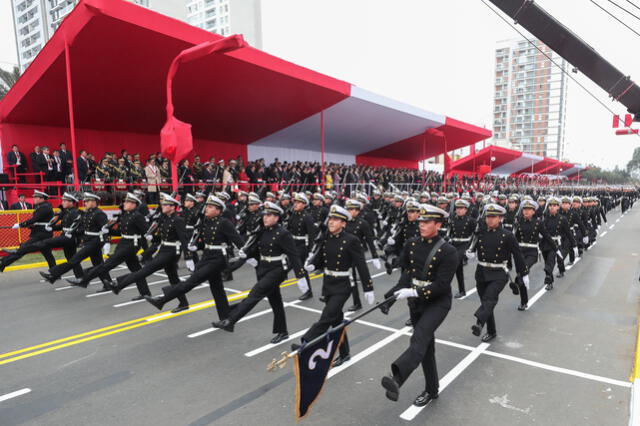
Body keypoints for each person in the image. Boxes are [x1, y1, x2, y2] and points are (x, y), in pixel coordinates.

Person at [381, 203, 458, 407]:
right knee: (426, 348)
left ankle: (397, 378)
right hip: (416, 303)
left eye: (427, 221)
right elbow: (408, 274)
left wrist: (414, 291)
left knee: (419, 337)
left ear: (439, 224)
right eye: (421, 221)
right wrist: (390, 298)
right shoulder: (411, 244)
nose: (421, 224)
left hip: (437, 303)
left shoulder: (448, 251)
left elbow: (442, 285)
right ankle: (432, 390)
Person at [212, 201, 307, 344]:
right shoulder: (262, 231)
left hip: (277, 270)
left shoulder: (283, 234)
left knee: (255, 293)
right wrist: (247, 254)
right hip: (263, 269)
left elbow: (293, 255)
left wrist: (300, 276)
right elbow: (256, 249)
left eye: (269, 215)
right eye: (265, 215)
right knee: (275, 301)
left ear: (276, 217)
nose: (265, 218)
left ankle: (230, 321)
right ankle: (283, 331)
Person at [293, 205, 375, 367]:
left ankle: (306, 342)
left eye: (336, 219)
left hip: (343, 286)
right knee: (336, 322)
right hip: (328, 284)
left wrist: (368, 287)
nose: (331, 222)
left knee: (327, 317)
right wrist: (313, 265)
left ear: (344, 223)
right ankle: (345, 354)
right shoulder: (325, 237)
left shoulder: (352, 240)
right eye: (330, 219)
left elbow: (361, 265)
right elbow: (321, 258)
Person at [144, 195, 245, 321]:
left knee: (192, 281)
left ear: (218, 210)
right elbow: (205, 243)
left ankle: (162, 299)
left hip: (218, 258)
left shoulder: (225, 223)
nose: (206, 209)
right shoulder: (206, 222)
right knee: (217, 289)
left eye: (210, 207)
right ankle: (226, 316)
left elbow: (238, 241)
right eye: (207, 206)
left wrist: (247, 255)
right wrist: (196, 247)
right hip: (207, 257)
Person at [113, 193, 190, 313]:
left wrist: (188, 256)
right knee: (173, 278)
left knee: (145, 270)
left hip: (172, 252)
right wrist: (151, 238)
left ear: (173, 207)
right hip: (164, 250)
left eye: (166, 205)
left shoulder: (178, 220)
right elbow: (158, 240)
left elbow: (184, 239)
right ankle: (183, 303)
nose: (162, 206)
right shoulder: (164, 219)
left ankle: (118, 285)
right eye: (162, 204)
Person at [67, 192, 151, 301]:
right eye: (125, 201)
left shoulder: (137, 216)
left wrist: (150, 237)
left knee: (108, 264)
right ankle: (145, 293)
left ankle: (84, 279)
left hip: (131, 245)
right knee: (135, 269)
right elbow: (120, 232)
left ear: (134, 204)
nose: (124, 203)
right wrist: (109, 229)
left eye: (127, 202)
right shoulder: (125, 215)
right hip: (124, 243)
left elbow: (146, 230)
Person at [465, 203, 528, 342]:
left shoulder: (507, 235)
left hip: (499, 273)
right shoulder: (480, 233)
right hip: (481, 272)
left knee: (489, 298)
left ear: (500, 218)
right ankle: (491, 331)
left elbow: (517, 255)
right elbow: (474, 248)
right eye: (488, 216)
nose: (490, 219)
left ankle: (479, 324)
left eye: (494, 217)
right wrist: (470, 253)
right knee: (487, 303)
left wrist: (523, 273)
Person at [40, 192, 112, 290]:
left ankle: (53, 273)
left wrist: (107, 244)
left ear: (94, 202)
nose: (85, 203)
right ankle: (108, 283)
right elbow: (80, 227)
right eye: (85, 201)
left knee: (75, 259)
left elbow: (106, 229)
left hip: (95, 242)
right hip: (89, 241)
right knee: (97, 264)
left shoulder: (100, 214)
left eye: (87, 201)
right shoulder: (87, 213)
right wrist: (74, 232)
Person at [512, 198, 558, 310]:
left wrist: (556, 249)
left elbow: (546, 236)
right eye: (524, 209)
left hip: (532, 253)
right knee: (521, 276)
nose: (526, 211)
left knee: (522, 273)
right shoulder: (518, 223)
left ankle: (519, 279)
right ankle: (524, 301)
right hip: (520, 252)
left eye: (529, 209)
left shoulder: (538, 223)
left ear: (533, 211)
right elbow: (513, 239)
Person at [0, 190, 56, 272]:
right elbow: (39, 221)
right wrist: (30, 225)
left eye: (36, 197)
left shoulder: (44, 207)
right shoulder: (41, 206)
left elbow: (34, 219)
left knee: (23, 249)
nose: (34, 199)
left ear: (42, 198)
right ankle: (55, 272)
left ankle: (3, 263)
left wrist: (21, 224)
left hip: (41, 234)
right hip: (42, 233)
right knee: (47, 254)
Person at [344, 199, 382, 311]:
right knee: (350, 278)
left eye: (352, 209)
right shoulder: (344, 222)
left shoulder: (363, 223)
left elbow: (369, 240)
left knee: (362, 273)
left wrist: (375, 256)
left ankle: (368, 290)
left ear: (357, 211)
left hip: (357, 252)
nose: (350, 211)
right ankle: (356, 302)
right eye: (348, 209)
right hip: (346, 252)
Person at [287, 193, 318, 301]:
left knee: (300, 269)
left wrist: (310, 250)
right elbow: (288, 229)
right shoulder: (293, 214)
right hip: (292, 243)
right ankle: (306, 290)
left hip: (301, 246)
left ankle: (308, 291)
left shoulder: (307, 217)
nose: (295, 204)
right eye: (295, 202)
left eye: (299, 202)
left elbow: (311, 235)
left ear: (304, 204)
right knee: (293, 267)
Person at [448, 199, 476, 298]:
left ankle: (444, 287)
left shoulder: (471, 220)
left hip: (464, 245)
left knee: (453, 265)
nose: (459, 210)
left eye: (461, 208)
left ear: (466, 209)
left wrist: (472, 248)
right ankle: (462, 290)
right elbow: (449, 233)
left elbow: (476, 234)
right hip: (454, 244)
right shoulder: (452, 219)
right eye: (457, 208)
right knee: (458, 269)